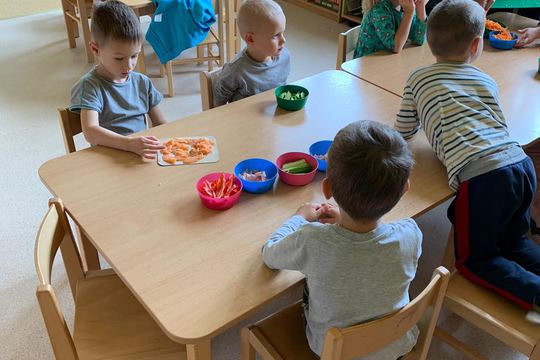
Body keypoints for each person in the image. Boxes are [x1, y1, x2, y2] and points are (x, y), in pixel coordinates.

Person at [395, 0, 540, 317]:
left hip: (483, 177)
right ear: (477, 45)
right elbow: (496, 122)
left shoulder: (419, 78)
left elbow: (404, 130)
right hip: (520, 163)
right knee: (514, 241)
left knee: (474, 260)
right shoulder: (485, 80)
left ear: (430, 39)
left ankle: (535, 293)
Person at [262, 120, 422, 358]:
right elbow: (371, 249)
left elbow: (269, 254)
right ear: (405, 188)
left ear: (327, 189)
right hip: (395, 344)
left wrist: (299, 218)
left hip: (332, 351)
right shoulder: (411, 232)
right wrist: (344, 220)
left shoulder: (312, 240)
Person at [70, 0, 166, 159]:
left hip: (141, 156)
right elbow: (90, 131)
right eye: (119, 58)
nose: (129, 66)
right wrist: (129, 144)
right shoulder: (90, 86)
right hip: (109, 160)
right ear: (95, 49)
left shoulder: (142, 82)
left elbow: (162, 125)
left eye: (134, 56)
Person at [212, 0, 290, 107]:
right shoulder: (236, 70)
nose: (283, 40)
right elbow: (218, 104)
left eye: (283, 32)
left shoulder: (285, 57)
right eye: (275, 35)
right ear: (250, 38)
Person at [353, 0, 427, 58]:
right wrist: (408, 12)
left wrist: (420, 5)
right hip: (368, 66)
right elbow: (395, 46)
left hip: (389, 60)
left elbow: (419, 40)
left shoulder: (405, 5)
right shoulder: (379, 9)